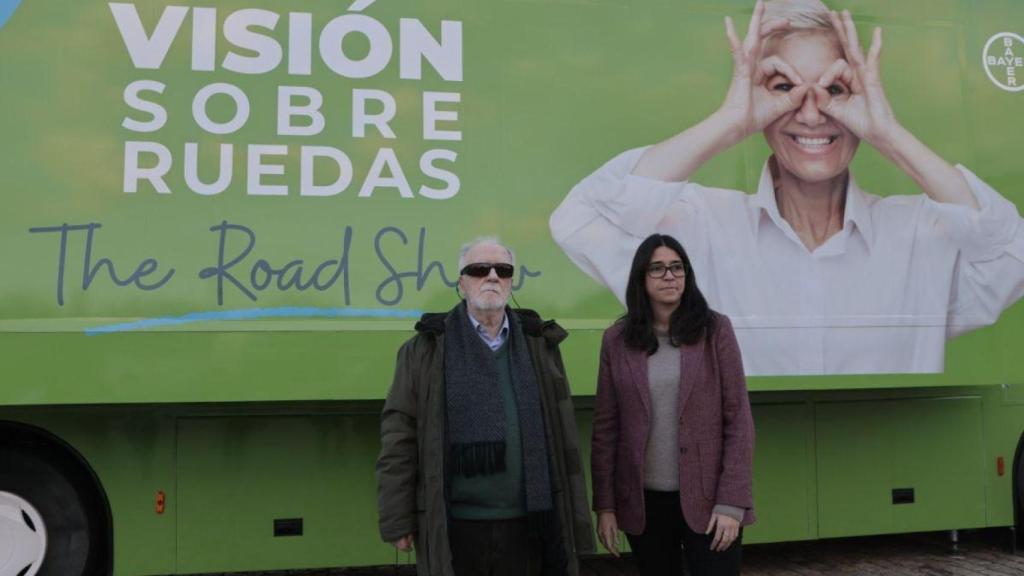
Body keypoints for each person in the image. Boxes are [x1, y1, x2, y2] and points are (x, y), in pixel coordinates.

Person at [549, 0, 1024, 376]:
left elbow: (1012, 255)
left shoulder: (924, 232)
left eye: (836, 90)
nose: (813, 112)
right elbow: (578, 221)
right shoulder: (697, 228)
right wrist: (731, 122)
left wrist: (888, 133)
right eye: (783, 87)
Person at [375, 237, 596, 576]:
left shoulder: (539, 346)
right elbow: (398, 437)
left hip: (529, 523)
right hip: (456, 525)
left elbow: (564, 442)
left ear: (511, 281)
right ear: (461, 283)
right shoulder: (424, 350)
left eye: (503, 270)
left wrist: (577, 518)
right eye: (479, 269)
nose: (492, 276)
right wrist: (397, 518)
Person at [591, 234, 755, 576]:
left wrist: (732, 503)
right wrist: (605, 506)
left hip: (710, 502)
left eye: (677, 267)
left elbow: (738, 421)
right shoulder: (617, 341)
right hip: (645, 506)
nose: (670, 276)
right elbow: (606, 428)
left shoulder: (716, 330)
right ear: (641, 278)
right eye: (658, 269)